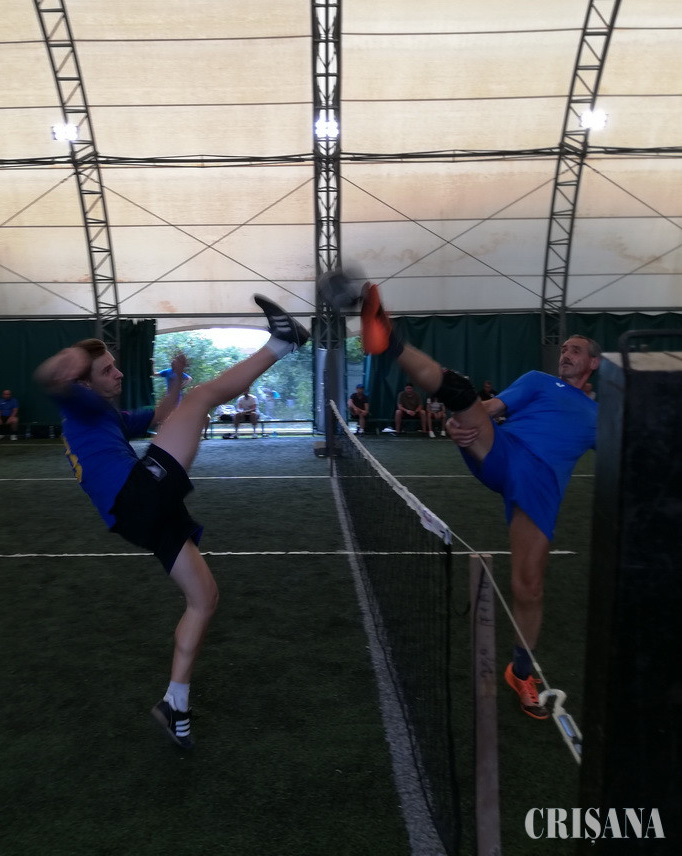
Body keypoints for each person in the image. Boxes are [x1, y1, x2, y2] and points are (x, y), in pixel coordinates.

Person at [34, 294, 309, 748]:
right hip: (136, 495)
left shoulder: (105, 414)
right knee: (203, 399)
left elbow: (162, 416)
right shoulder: (81, 406)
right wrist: (66, 364)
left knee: (204, 599)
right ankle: (283, 342)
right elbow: (50, 379)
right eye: (106, 370)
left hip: (137, 515)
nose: (118, 374)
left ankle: (174, 704)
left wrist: (177, 378)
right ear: (82, 382)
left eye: (115, 367)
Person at [360, 281, 600, 720]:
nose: (566, 354)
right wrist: (457, 422)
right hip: (502, 451)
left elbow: (631, 452)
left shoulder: (601, 416)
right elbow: (489, 409)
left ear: (594, 363)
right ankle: (388, 340)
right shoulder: (538, 381)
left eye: (576, 350)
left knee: (529, 587)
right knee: (462, 391)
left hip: (541, 488)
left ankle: (520, 672)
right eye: (564, 348)